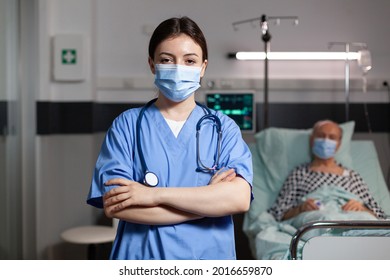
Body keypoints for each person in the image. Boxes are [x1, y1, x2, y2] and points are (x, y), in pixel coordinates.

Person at [86, 16, 253, 260]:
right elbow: (116, 206)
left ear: (203, 67)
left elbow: (238, 199)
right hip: (143, 259)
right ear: (152, 64)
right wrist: (206, 204)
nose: (178, 68)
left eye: (189, 60)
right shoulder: (127, 125)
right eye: (166, 60)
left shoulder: (222, 128)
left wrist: (152, 195)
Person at [268, 119, 385, 222]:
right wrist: (301, 208)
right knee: (325, 220)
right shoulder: (300, 173)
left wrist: (362, 208)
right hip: (318, 217)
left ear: (339, 144)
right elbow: (278, 214)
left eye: (332, 137)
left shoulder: (352, 176)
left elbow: (379, 215)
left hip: (352, 217)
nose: (326, 140)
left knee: (365, 221)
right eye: (321, 135)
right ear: (312, 139)